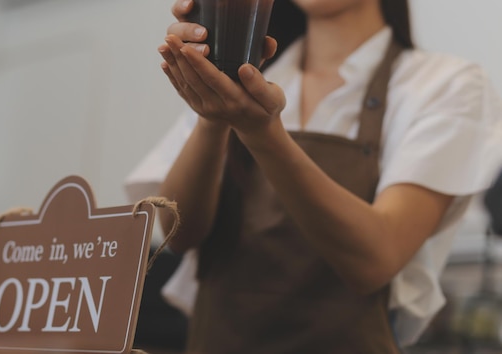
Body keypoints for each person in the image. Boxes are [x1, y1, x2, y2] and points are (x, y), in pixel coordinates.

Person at [125, 0, 502, 352]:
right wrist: (212, 114)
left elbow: (375, 260)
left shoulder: (443, 84)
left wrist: (262, 133)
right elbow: (180, 231)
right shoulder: (245, 71)